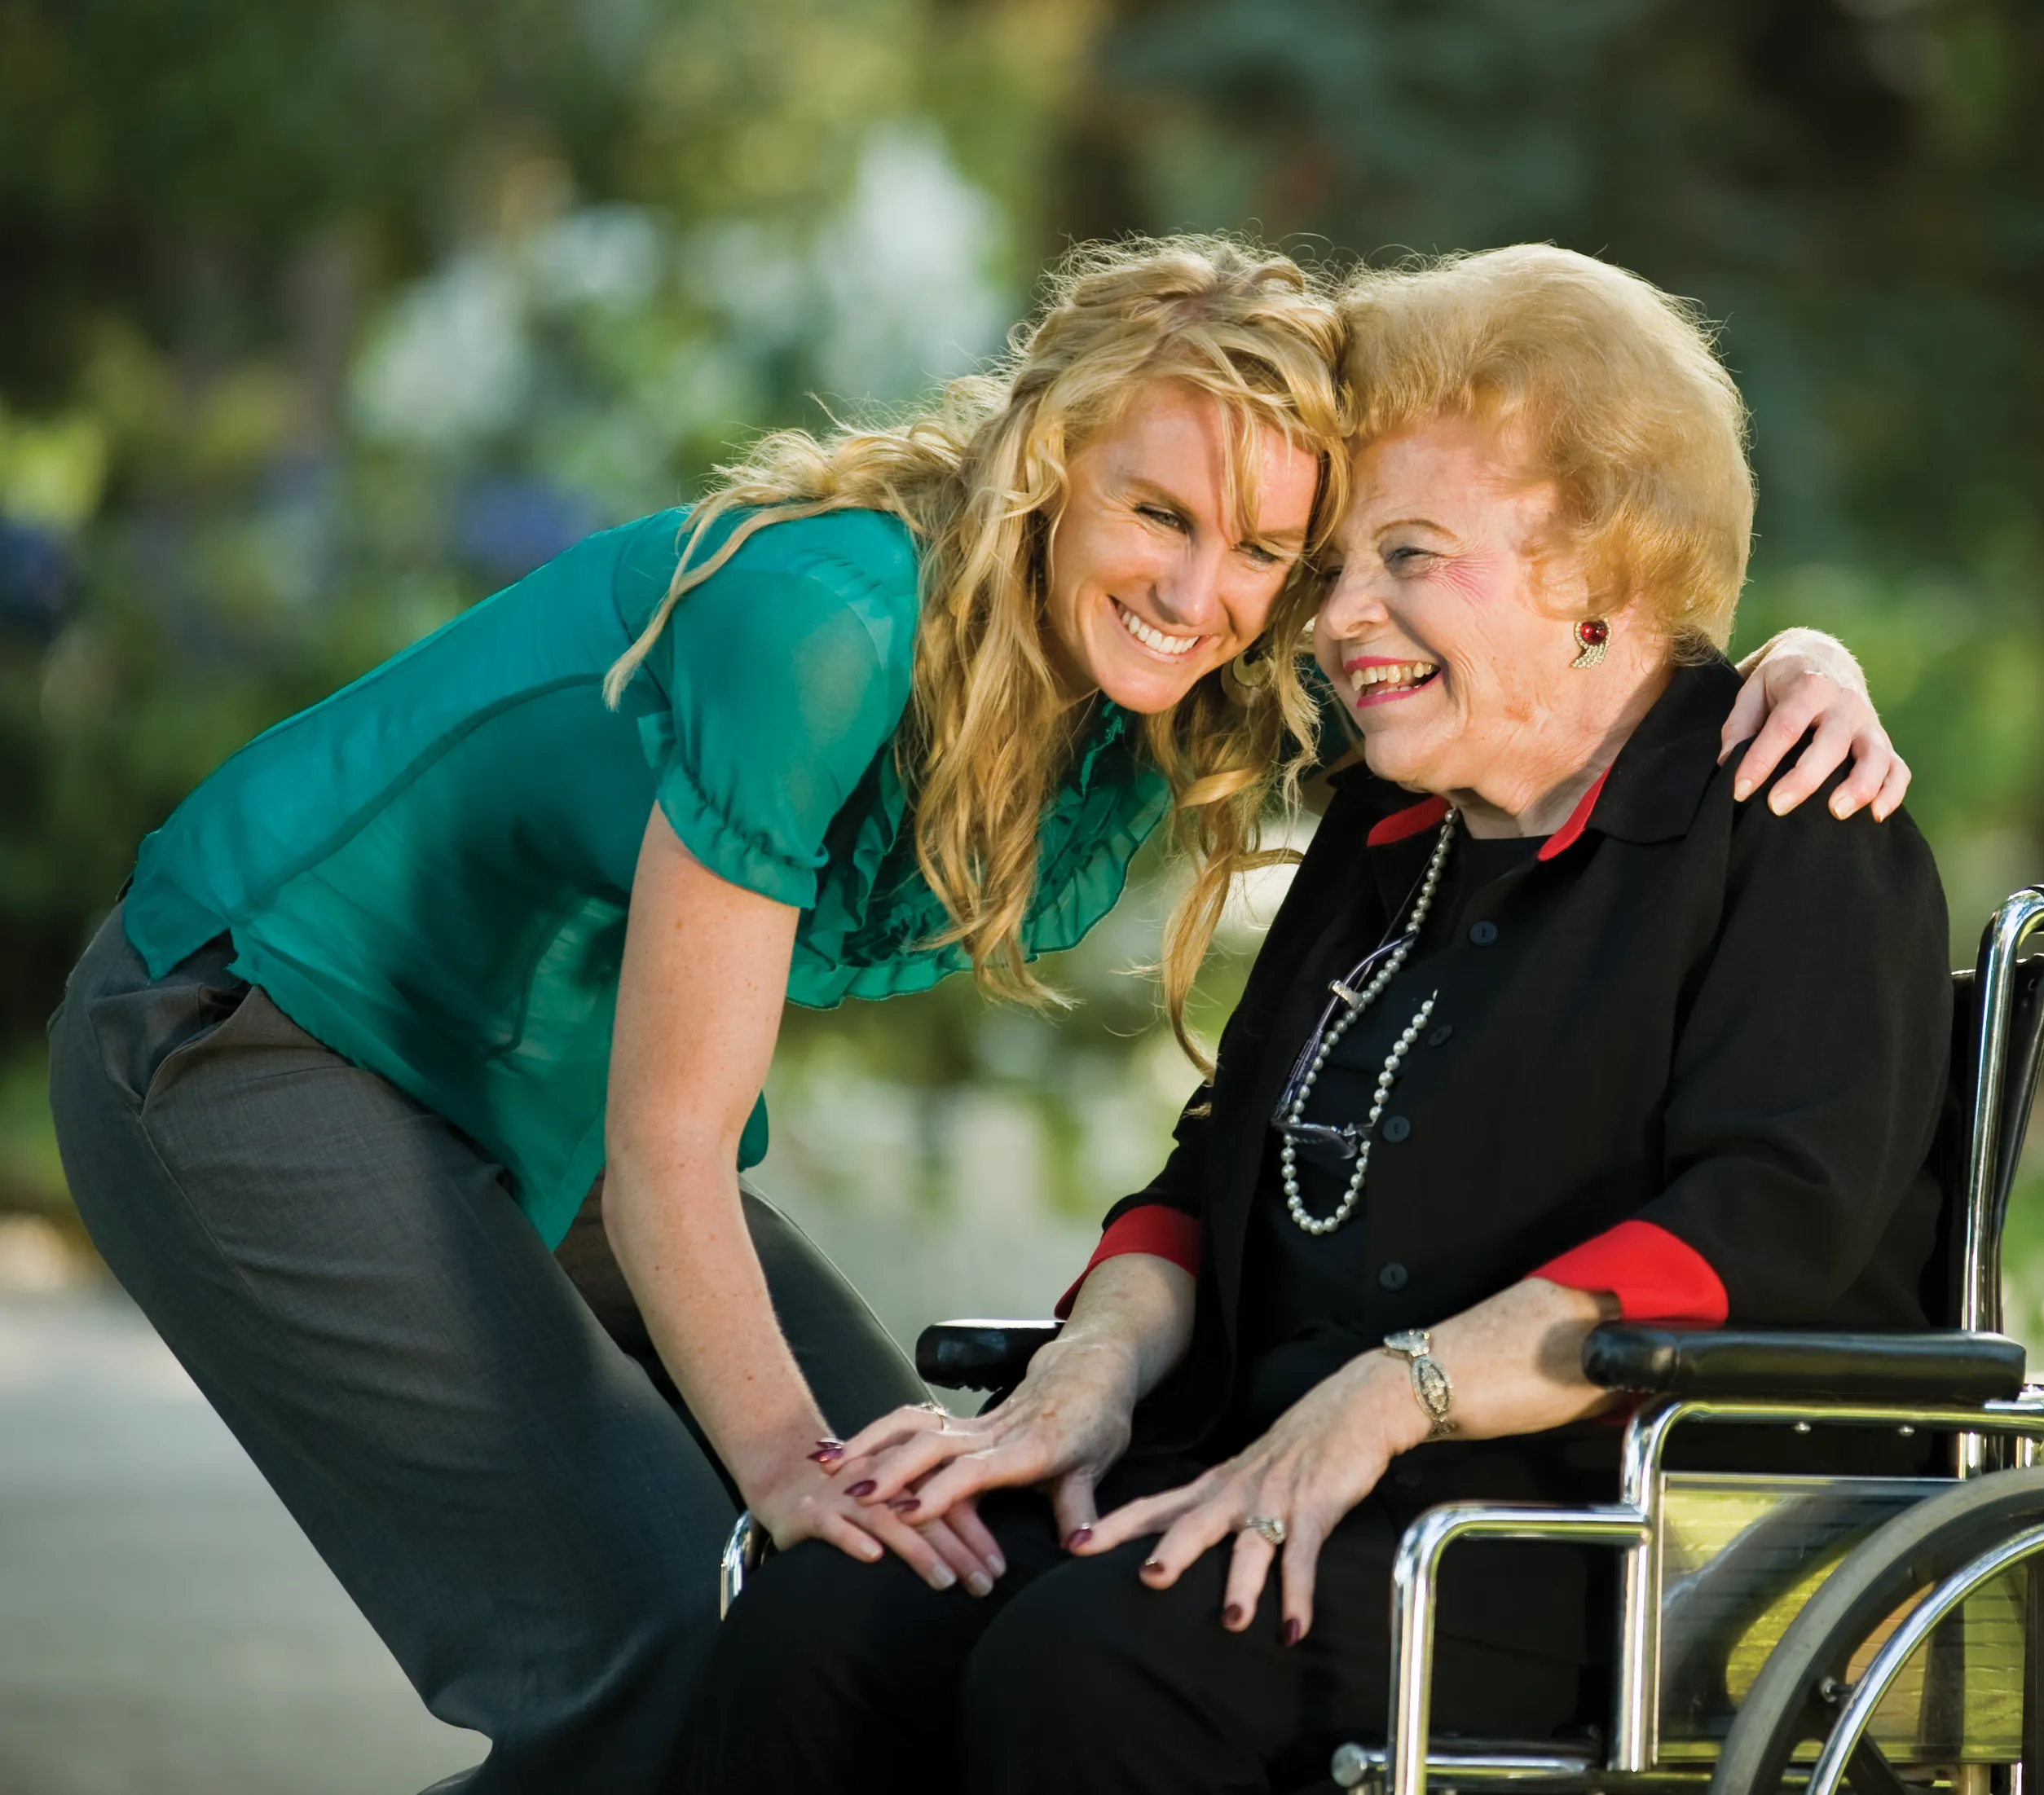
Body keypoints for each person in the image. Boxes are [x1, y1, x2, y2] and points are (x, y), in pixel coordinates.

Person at [42, 234, 1906, 1795]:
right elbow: (719, 1146)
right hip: (271, 1024)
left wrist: (1791, 657)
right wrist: (875, 1446)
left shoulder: (1240, 684)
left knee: (912, 1565)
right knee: (712, 1613)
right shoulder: (847, 622)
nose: (1269, 601)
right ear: (1050, 463)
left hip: (555, 1105)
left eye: (1314, 551)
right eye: (1180, 516)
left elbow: (1600, 724)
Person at [679, 244, 1955, 1795]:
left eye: (1411, 555)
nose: (1342, 617)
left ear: (1604, 569)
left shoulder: (1787, 822)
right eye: (1334, 565)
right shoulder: (1391, 828)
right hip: (1261, 1465)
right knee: (834, 1614)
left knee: (1089, 1667)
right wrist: (1082, 1374)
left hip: (1583, 1544)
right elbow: (1212, 1169)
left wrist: (1396, 1391)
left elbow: (1758, 1228)